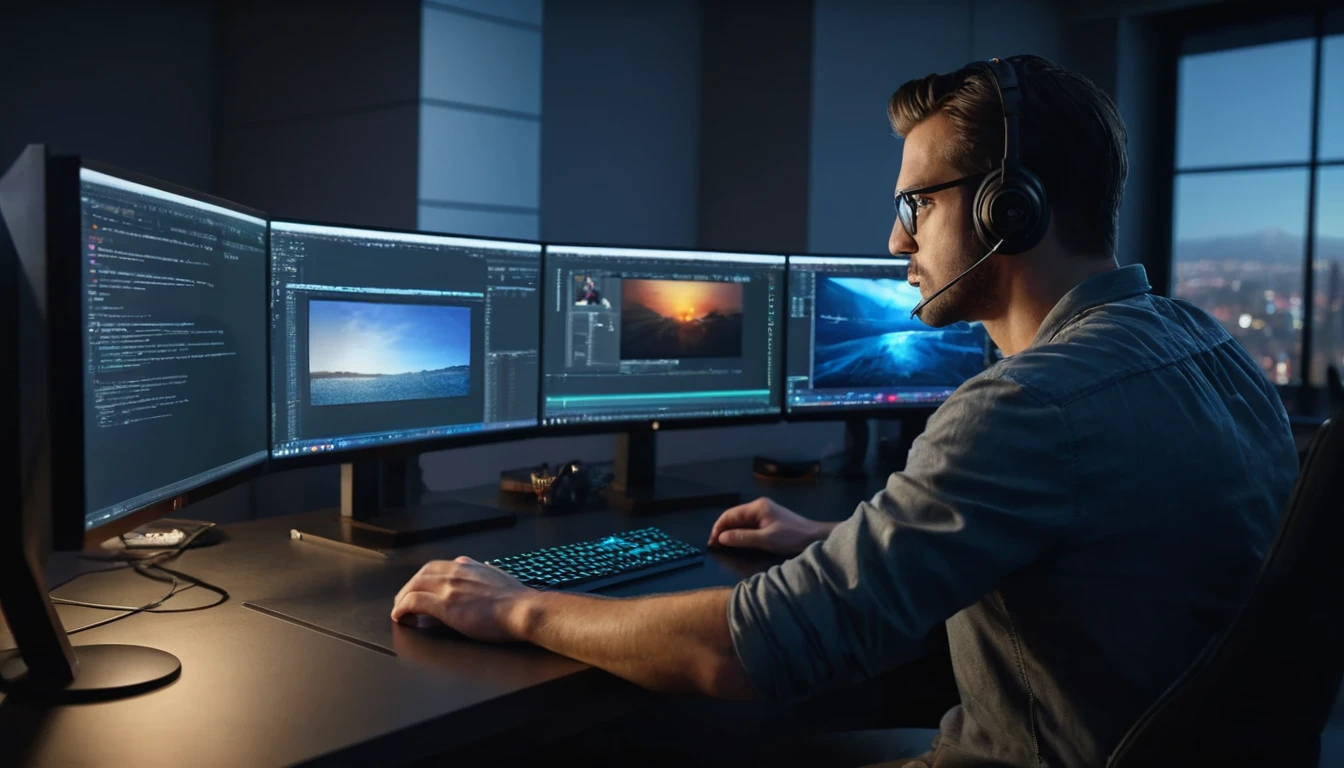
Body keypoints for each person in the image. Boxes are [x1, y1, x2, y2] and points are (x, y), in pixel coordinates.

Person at [391, 55, 1298, 767]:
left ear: (1009, 210)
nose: (896, 239)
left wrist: (519, 608)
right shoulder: (1206, 346)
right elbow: (1100, 548)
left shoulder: (1028, 405)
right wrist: (841, 537)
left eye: (916, 203)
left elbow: (748, 653)